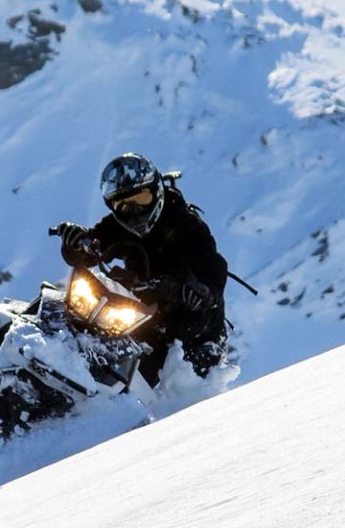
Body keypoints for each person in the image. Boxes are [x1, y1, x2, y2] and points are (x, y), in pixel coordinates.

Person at [56, 152, 229, 385]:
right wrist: (75, 243)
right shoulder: (117, 224)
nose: (135, 211)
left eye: (141, 199)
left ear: (156, 191)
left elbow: (213, 264)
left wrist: (204, 291)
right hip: (145, 318)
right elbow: (91, 250)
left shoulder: (186, 223)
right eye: (124, 205)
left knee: (191, 389)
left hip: (195, 325)